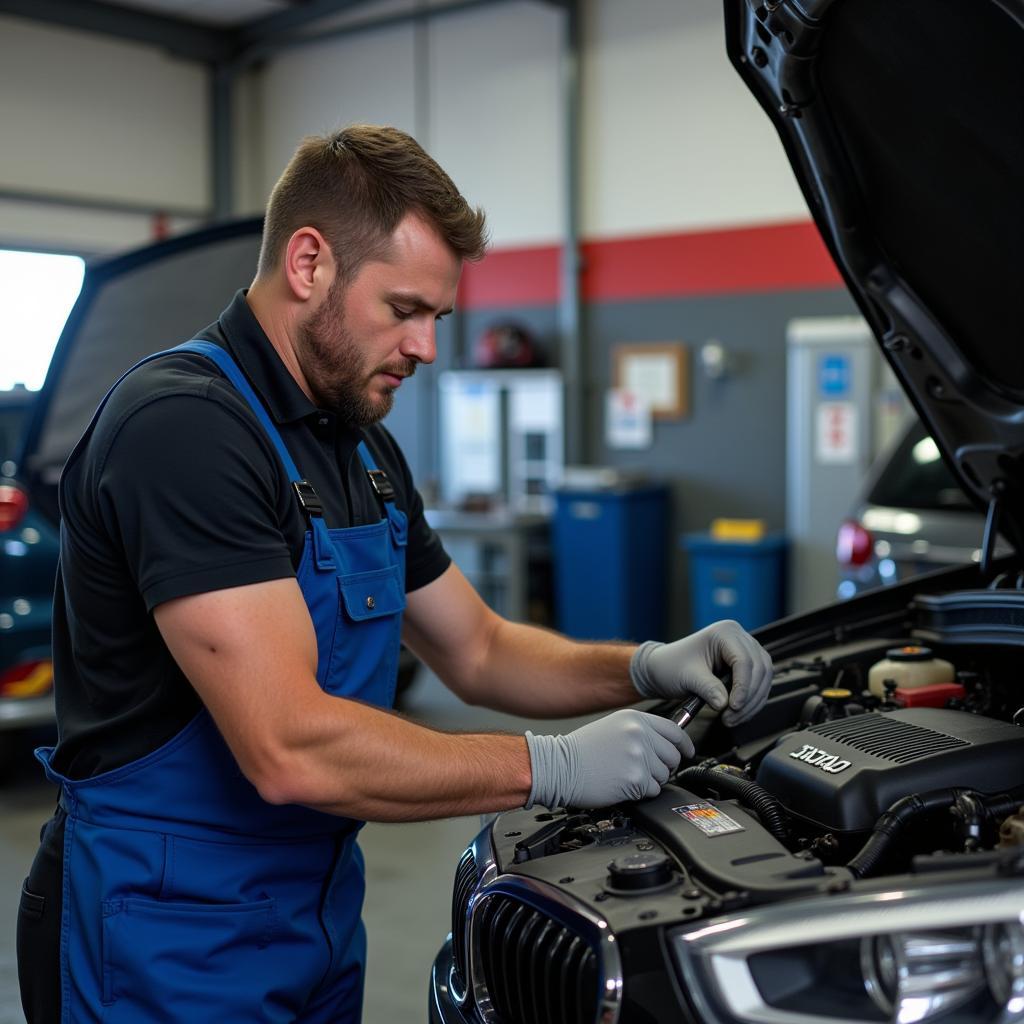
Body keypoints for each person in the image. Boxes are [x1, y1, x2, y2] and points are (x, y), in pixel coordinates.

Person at [17, 124, 773, 1024]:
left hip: (310, 910)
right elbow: (290, 746)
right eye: (405, 309)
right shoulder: (184, 428)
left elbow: (480, 650)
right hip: (156, 926)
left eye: (439, 318)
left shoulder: (361, 448)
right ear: (309, 263)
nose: (426, 348)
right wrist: (554, 767)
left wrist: (644, 665)